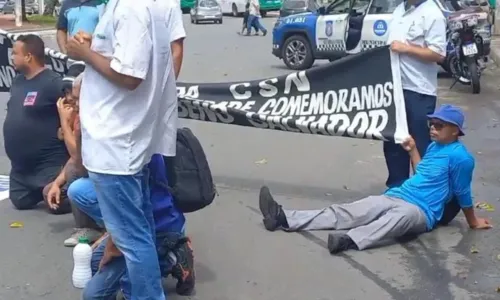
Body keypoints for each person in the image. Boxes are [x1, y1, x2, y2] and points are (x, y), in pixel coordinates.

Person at [258, 105, 492, 254]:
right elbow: (422, 173)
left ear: (455, 131)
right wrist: (412, 150)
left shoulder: (462, 158)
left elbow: (463, 193)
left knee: (397, 218)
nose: (432, 128)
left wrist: (472, 222)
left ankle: (349, 240)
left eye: (439, 125)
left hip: (422, 210)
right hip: (398, 194)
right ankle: (284, 218)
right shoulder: (434, 147)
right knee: (351, 211)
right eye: (432, 124)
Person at [65, 0, 180, 298]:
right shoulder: (125, 7)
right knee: (136, 236)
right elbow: (126, 58)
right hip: (120, 143)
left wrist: (85, 54)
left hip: (115, 145)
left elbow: (131, 76)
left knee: (134, 241)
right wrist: (95, 48)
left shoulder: (131, 9)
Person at [69, 154, 195, 300]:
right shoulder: (123, 154)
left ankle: (171, 257)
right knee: (95, 262)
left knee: (97, 295)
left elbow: (133, 220)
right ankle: (157, 261)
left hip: (159, 226)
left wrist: (116, 240)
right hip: (140, 221)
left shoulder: (123, 161)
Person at [3, 34, 71, 214]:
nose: (12, 57)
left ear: (28, 56)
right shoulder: (18, 82)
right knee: (20, 201)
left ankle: (63, 187)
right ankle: (38, 189)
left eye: (15, 53)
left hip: (47, 163)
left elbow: (74, 105)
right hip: (21, 169)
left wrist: (66, 127)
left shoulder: (53, 83)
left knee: (56, 204)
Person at [384, 0, 447, 188]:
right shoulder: (399, 10)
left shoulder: (432, 13)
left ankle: (424, 190)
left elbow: (438, 54)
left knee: (420, 143)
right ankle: (397, 189)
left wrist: (406, 49)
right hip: (395, 88)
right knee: (394, 140)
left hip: (419, 90)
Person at [45, 73, 103, 247]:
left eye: (75, 95)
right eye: (67, 93)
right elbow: (74, 158)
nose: (70, 99)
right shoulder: (78, 113)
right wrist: (56, 183)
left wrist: (64, 121)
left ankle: (93, 227)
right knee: (50, 189)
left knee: (74, 179)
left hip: (109, 176)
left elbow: (77, 157)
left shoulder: (92, 114)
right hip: (92, 172)